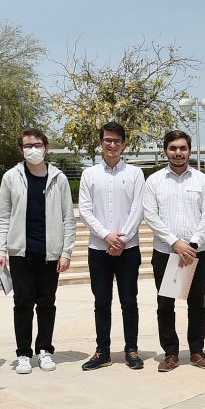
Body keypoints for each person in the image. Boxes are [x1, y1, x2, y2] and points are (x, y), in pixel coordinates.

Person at [0, 128, 77, 375]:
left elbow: (68, 218)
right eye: (28, 146)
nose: (33, 150)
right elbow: (3, 216)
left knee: (46, 303)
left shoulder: (59, 178)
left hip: (50, 253)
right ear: (21, 149)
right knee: (22, 303)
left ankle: (44, 350)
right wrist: (0, 250)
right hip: (21, 252)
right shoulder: (11, 177)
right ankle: (23, 353)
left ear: (46, 148)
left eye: (38, 145)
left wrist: (66, 252)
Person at [143, 130, 205, 372]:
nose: (178, 153)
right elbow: (151, 216)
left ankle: (196, 351)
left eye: (183, 148)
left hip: (197, 252)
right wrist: (176, 243)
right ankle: (171, 353)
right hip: (167, 252)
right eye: (173, 148)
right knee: (166, 304)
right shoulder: (154, 181)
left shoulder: (202, 181)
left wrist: (191, 245)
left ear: (189, 151)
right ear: (166, 151)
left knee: (196, 304)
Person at [78, 122, 146, 371]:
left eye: (117, 141)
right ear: (100, 143)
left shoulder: (135, 174)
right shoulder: (89, 174)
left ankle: (131, 349)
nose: (112, 145)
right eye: (108, 140)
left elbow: (138, 209)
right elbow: (85, 210)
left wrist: (122, 239)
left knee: (129, 301)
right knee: (101, 302)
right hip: (99, 249)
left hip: (128, 249)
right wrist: (107, 235)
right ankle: (102, 351)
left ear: (124, 144)